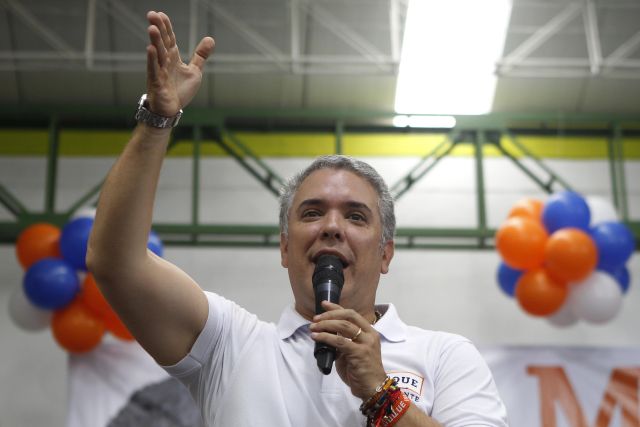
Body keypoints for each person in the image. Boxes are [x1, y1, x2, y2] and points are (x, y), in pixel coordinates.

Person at [87, 10, 508, 427]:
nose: (331, 226)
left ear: (386, 254)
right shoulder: (229, 345)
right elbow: (115, 262)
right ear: (285, 247)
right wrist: (157, 121)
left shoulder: (444, 356)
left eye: (356, 217)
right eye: (312, 212)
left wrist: (382, 395)